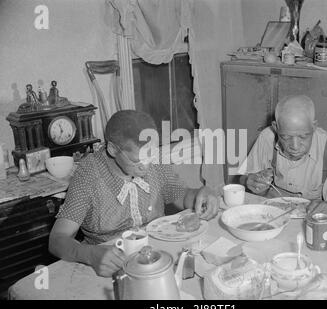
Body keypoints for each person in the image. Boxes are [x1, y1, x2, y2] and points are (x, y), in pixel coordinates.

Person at [49, 110, 219, 277]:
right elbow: (57, 240)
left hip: (154, 255)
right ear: (113, 149)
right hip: (108, 263)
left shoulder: (155, 160)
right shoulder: (89, 174)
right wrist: (90, 254)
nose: (145, 166)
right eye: (137, 160)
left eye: (150, 155)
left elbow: (181, 196)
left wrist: (200, 196)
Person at [239, 94, 327, 218]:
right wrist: (249, 181)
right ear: (275, 128)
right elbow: (244, 180)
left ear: (314, 126)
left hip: (312, 221)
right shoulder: (267, 137)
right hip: (271, 215)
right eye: (285, 137)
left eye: (303, 136)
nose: (295, 146)